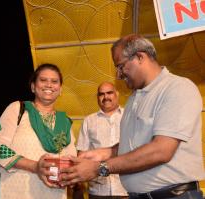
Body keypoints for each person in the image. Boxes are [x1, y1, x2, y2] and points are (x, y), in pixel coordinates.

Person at [59, 34, 205, 199]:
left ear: (140, 57)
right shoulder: (133, 99)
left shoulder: (176, 88)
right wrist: (105, 153)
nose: (119, 75)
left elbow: (161, 150)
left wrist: (99, 167)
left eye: (120, 66)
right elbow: (137, 145)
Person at [0, 63, 77, 199]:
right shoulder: (18, 109)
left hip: (51, 193)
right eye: (43, 80)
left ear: (60, 90)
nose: (49, 85)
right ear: (33, 87)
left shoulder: (65, 121)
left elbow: (70, 158)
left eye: (54, 81)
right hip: (14, 190)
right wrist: (35, 166)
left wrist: (71, 174)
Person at [76, 81, 127, 199]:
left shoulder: (129, 116)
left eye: (109, 93)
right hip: (98, 191)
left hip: (126, 189)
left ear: (117, 94)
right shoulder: (89, 121)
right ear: (97, 97)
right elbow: (81, 155)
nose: (106, 97)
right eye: (101, 94)